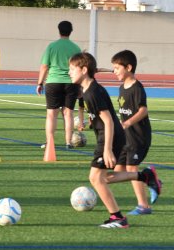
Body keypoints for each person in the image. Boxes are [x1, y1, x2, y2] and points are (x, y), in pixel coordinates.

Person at [68, 52, 162, 229]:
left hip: (109, 137)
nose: (69, 72)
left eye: (72, 69)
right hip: (109, 136)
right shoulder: (89, 89)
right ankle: (145, 176)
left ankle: (117, 218)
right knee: (104, 178)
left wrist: (107, 149)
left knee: (95, 178)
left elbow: (109, 120)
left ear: (84, 70)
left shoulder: (92, 92)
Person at [111, 50, 154, 216]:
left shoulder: (137, 87)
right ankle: (148, 177)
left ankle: (144, 206)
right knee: (115, 172)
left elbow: (143, 110)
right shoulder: (122, 88)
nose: (114, 71)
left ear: (128, 67)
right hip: (126, 138)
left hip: (138, 136)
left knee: (131, 166)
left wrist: (128, 122)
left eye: (117, 68)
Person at [36, 20, 82, 149]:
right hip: (71, 82)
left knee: (51, 114)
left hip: (53, 82)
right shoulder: (76, 48)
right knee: (68, 113)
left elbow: (44, 66)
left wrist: (40, 82)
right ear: (71, 31)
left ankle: (49, 142)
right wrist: (80, 86)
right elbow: (79, 68)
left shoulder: (52, 46)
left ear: (59, 30)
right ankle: (68, 142)